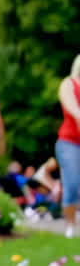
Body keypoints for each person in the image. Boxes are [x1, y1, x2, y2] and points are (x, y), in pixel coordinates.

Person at [56, 57, 80, 237]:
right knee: (72, 183)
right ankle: (71, 224)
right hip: (70, 142)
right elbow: (72, 107)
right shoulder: (69, 84)